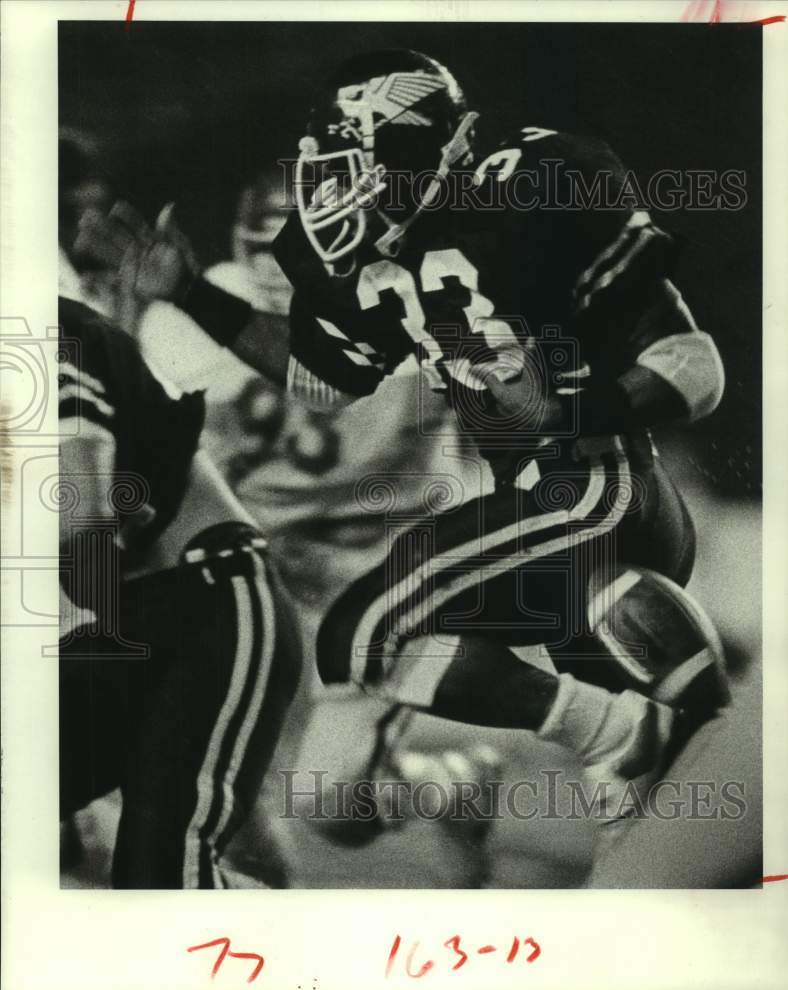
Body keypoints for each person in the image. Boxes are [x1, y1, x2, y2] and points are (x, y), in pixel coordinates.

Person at [75, 49, 731, 834]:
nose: (333, 193)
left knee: (369, 633)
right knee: (341, 797)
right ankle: (641, 738)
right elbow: (324, 377)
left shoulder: (530, 181)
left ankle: (639, 725)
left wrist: (577, 412)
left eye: (349, 166)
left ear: (408, 142)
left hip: (587, 483)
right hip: (528, 504)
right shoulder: (400, 259)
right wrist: (190, 296)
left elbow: (693, 362)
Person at [58, 294, 300, 887]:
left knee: (163, 878)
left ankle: (310, 951)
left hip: (201, 603)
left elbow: (82, 513)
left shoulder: (32, 330)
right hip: (110, 618)